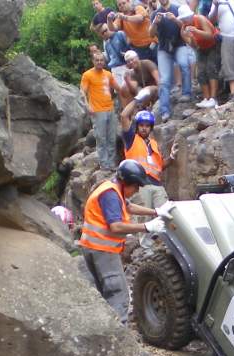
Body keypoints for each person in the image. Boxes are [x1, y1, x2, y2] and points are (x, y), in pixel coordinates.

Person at [78, 159, 173, 323]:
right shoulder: (111, 194)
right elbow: (115, 227)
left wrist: (156, 212)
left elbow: (129, 207)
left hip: (92, 247)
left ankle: (103, 327)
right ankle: (118, 332)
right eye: (136, 186)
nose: (137, 191)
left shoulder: (112, 188)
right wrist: (146, 227)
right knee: (118, 295)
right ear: (127, 182)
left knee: (102, 294)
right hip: (103, 251)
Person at [120, 107, 179, 208]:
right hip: (139, 185)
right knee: (143, 215)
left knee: (165, 213)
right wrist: (137, 100)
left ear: (151, 128)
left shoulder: (154, 144)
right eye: (141, 125)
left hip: (157, 185)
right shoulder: (131, 139)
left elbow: (160, 166)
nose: (144, 128)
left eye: (147, 126)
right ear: (137, 126)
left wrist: (172, 156)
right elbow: (124, 116)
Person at [149, 0, 193, 121]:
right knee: (164, 80)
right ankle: (164, 111)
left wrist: (174, 19)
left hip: (179, 43)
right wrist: (155, 23)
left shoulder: (177, 8)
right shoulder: (155, 14)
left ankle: (187, 93)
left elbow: (186, 26)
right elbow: (150, 34)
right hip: (163, 47)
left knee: (184, 65)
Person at [80, 53, 120, 170]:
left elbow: (118, 88)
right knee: (101, 138)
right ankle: (104, 164)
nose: (99, 62)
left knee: (112, 137)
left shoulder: (108, 74)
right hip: (97, 110)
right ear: (93, 61)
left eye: (101, 60)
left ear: (104, 61)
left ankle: (111, 163)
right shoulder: (87, 75)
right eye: (97, 60)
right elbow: (82, 92)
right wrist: (88, 106)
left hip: (110, 108)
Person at [181, 7, 220, 108]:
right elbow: (194, 46)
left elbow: (210, 35)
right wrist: (191, 37)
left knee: (211, 68)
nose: (186, 20)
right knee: (201, 72)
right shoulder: (183, 30)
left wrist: (196, 31)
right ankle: (206, 98)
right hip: (201, 48)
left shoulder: (200, 19)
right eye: (184, 19)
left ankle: (213, 98)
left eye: (187, 18)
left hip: (213, 44)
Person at [99, 24, 130, 88]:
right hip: (114, 68)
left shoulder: (120, 34)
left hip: (126, 65)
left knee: (127, 87)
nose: (105, 33)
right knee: (119, 90)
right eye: (102, 33)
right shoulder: (106, 43)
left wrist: (127, 54)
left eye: (105, 30)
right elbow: (108, 58)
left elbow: (130, 46)